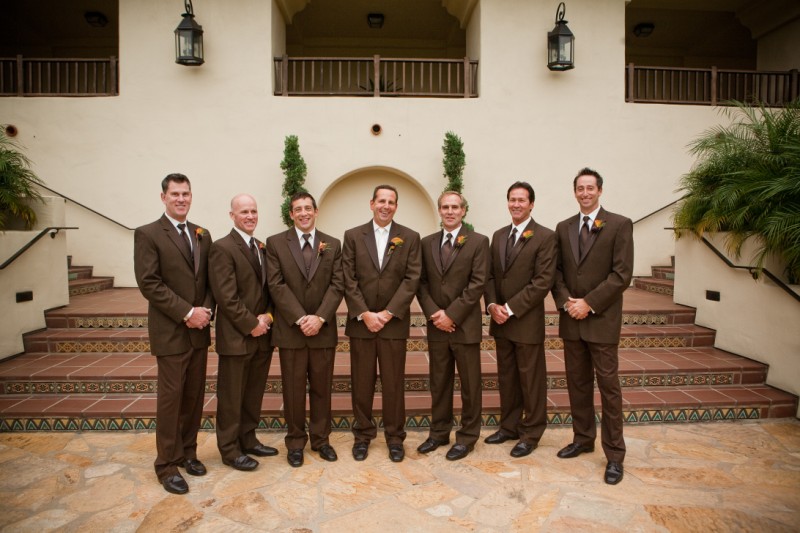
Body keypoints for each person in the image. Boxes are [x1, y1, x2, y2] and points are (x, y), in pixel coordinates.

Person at [552, 167, 633, 485]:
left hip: (601, 320)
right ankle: (583, 439)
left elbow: (621, 274)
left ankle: (614, 455)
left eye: (590, 188)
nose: (585, 193)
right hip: (571, 320)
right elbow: (556, 272)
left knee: (609, 389)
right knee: (578, 384)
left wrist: (589, 303)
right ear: (574, 192)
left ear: (600, 191)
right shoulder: (564, 227)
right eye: (580, 188)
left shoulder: (619, 225)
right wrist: (568, 302)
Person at [133, 173, 214, 495]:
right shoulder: (148, 234)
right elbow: (149, 283)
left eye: (186, 194)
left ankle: (188, 453)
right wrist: (187, 313)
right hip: (171, 332)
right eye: (175, 194)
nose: (181, 199)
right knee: (170, 399)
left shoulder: (202, 234)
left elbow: (209, 280)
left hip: (198, 331)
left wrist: (205, 311)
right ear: (163, 197)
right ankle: (166, 464)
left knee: (193, 397)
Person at [342, 184, 421, 463]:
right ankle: (362, 435)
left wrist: (387, 314)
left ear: (396, 207)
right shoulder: (352, 236)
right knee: (361, 383)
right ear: (371, 203)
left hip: (393, 324)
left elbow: (412, 279)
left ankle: (395, 437)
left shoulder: (409, 237)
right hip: (362, 324)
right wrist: (365, 314)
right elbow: (348, 278)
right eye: (381, 201)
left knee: (393, 383)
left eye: (391, 202)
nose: (385, 206)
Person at [266, 192, 344, 468]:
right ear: (291, 214)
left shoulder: (333, 244)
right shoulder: (275, 243)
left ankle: (321, 440)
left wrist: (320, 317)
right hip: (291, 331)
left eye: (308, 208)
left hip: (323, 330)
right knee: (293, 389)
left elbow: (338, 285)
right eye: (298, 209)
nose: (303, 213)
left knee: (322, 388)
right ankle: (295, 441)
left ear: (316, 211)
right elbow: (275, 285)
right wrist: (301, 318)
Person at [483, 181, 556, 458]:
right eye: (512, 199)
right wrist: (492, 305)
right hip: (500, 321)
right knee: (508, 378)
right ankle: (508, 427)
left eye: (521, 200)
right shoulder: (499, 235)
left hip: (525, 320)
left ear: (531, 204)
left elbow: (542, 281)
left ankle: (532, 432)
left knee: (531, 380)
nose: (516, 204)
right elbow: (490, 276)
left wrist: (510, 308)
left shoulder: (545, 237)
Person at [416, 191, 489, 461]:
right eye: (445, 207)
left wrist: (453, 315)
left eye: (455, 207)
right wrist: (435, 313)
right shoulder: (426, 243)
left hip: (465, 325)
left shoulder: (479, 242)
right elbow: (420, 282)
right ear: (439, 211)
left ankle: (468, 437)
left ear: (463, 211)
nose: (449, 211)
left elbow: (478, 282)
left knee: (470, 385)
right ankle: (438, 432)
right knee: (439, 382)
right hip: (437, 326)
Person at [208, 194, 277, 472]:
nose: (250, 216)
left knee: (252, 393)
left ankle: (248, 439)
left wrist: (268, 317)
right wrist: (251, 323)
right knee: (231, 396)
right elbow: (226, 297)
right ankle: (229, 449)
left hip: (262, 336)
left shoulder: (261, 247)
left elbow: (271, 289)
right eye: (244, 211)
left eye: (254, 211)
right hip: (237, 337)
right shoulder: (222, 248)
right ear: (232, 215)